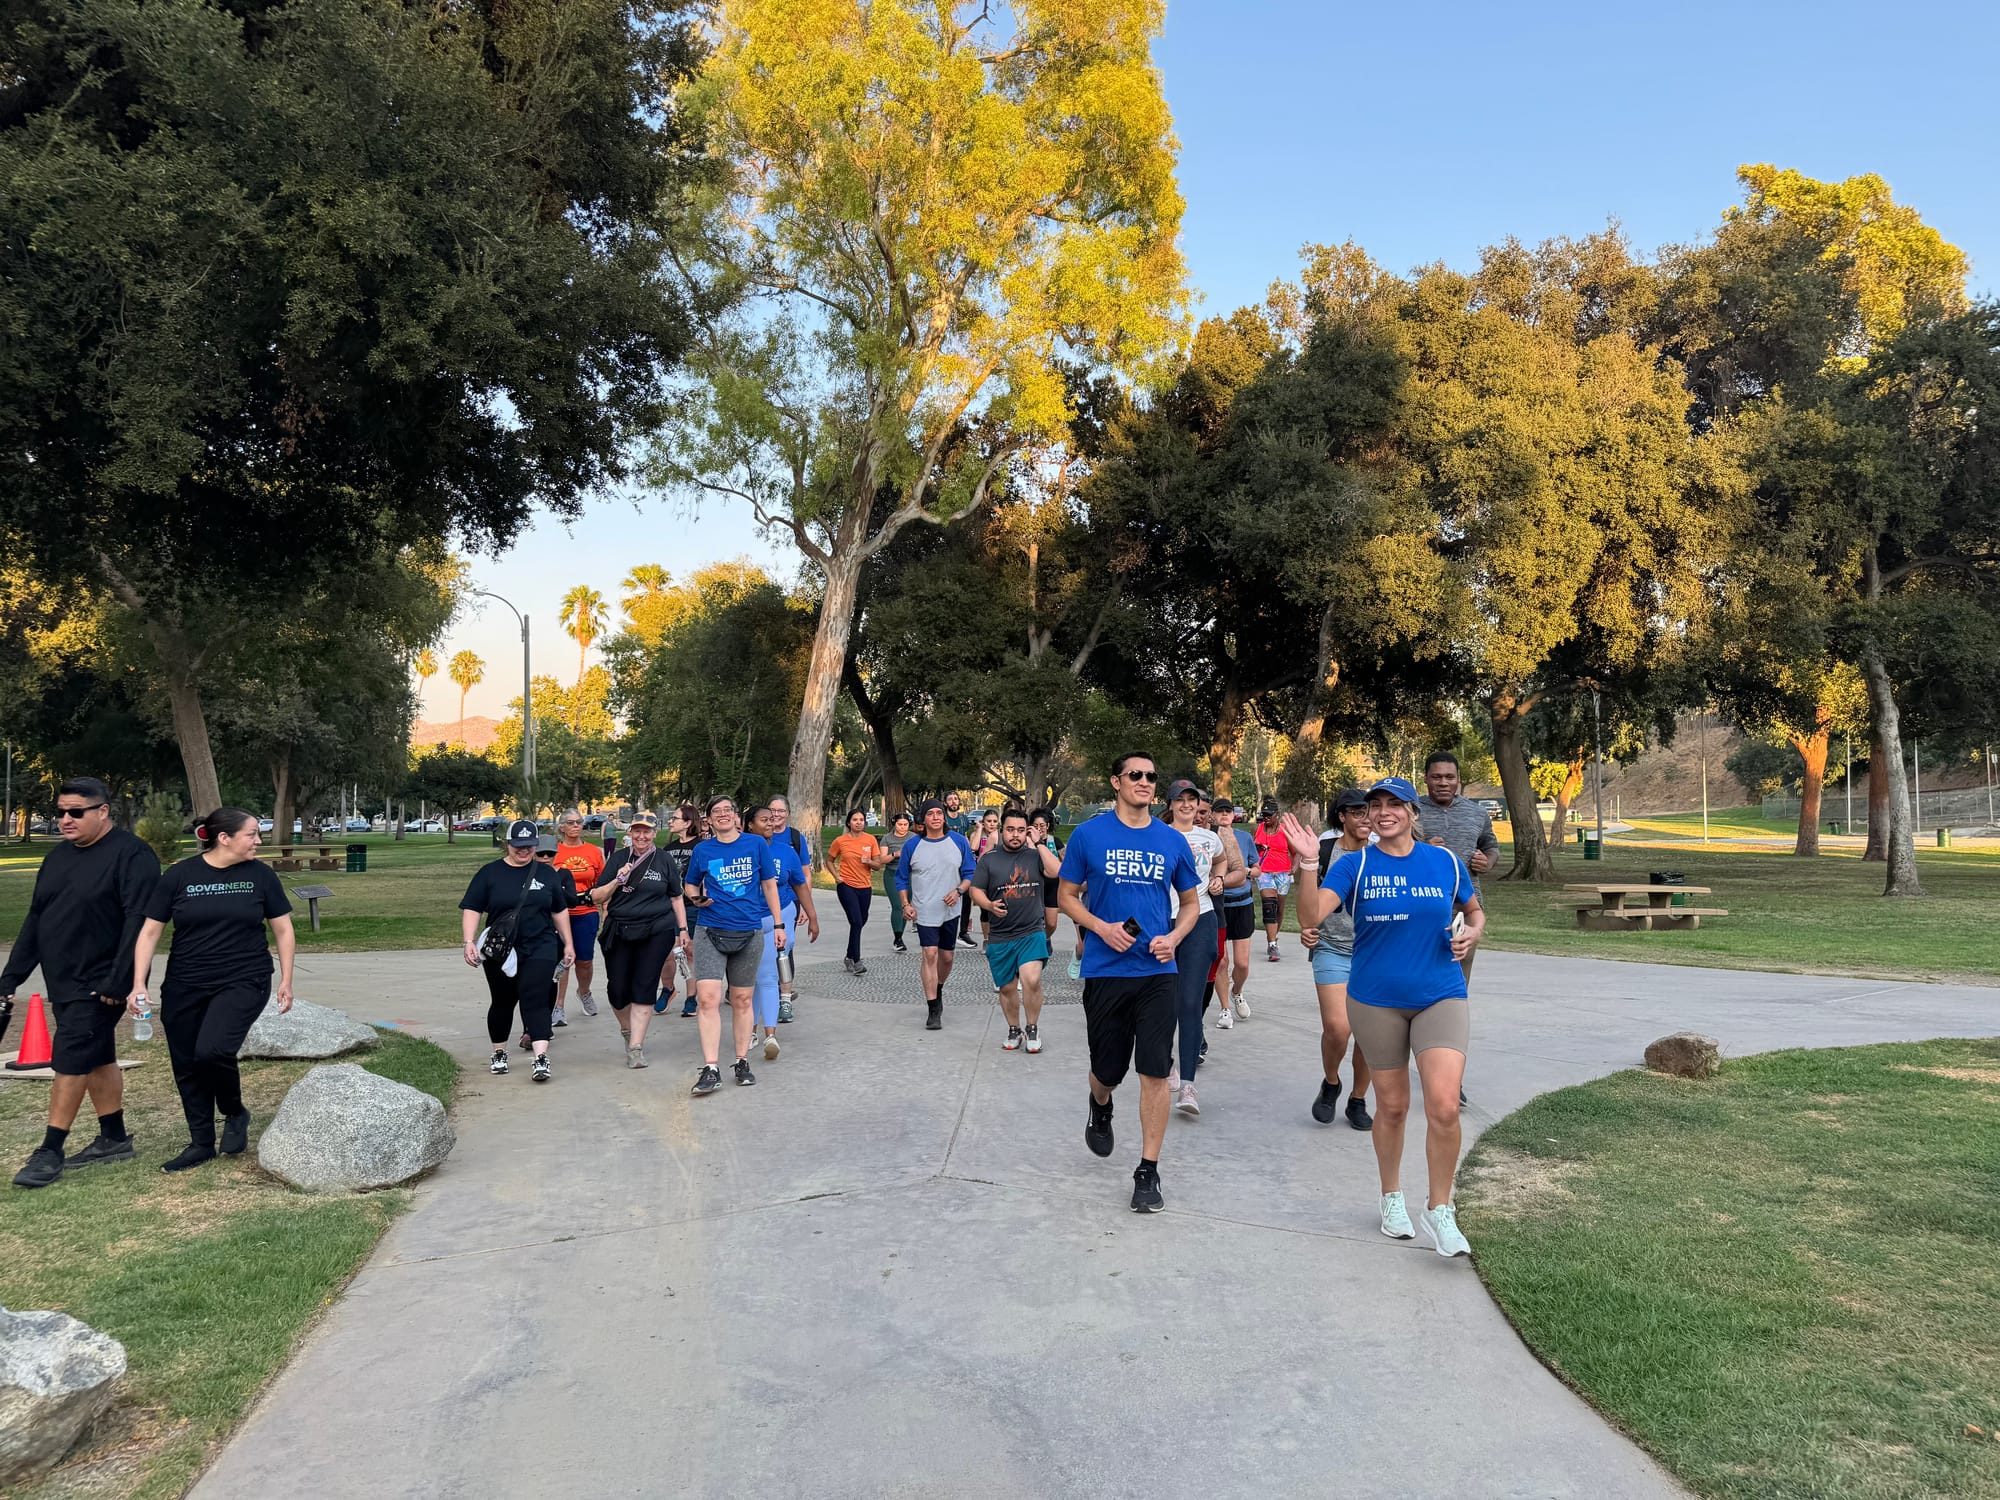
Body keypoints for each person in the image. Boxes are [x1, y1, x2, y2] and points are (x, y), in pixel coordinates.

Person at [1282, 776, 1484, 1257]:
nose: (1384, 811)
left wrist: (1473, 934)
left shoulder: (1445, 862)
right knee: (1392, 1107)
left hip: (1441, 994)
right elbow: (1310, 918)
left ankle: (1440, 1210)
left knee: (1442, 1104)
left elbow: (1474, 914)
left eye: (1396, 803)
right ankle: (1392, 1197)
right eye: (1376, 805)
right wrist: (1309, 863)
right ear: (1367, 816)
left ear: (1414, 812)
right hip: (1375, 1000)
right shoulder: (1354, 865)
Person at [1058, 752, 1199, 1213]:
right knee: (1108, 1070)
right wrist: (1101, 929)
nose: (1144, 782)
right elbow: (1066, 896)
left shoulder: (1171, 841)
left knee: (1156, 1071)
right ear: (1116, 781)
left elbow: (1191, 904)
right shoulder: (1088, 835)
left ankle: (1147, 1171)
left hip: (1158, 973)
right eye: (1135, 775)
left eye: (1151, 776)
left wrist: (1175, 937)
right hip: (1105, 969)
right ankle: (1100, 1104)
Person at [5, 778, 162, 1189]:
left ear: (103, 812)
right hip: (63, 978)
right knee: (97, 1056)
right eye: (60, 812)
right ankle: (113, 1139)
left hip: (102, 982)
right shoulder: (57, 858)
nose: (65, 820)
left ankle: (50, 1150)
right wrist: (11, 976)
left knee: (71, 1058)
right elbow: (37, 919)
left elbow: (139, 921)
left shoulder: (133, 855)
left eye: (76, 812)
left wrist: (120, 979)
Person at [125, 809, 296, 1172]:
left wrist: (285, 979)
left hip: (243, 978)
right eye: (252, 834)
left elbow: (282, 929)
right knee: (186, 1063)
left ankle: (234, 1111)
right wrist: (139, 983)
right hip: (185, 983)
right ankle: (200, 1143)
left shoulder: (260, 876)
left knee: (212, 1050)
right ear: (224, 838)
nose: (259, 841)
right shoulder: (180, 876)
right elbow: (150, 932)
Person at [461, 818, 577, 1084]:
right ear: (507, 844)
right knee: (503, 1001)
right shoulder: (489, 873)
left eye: (529, 846)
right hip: (501, 949)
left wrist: (568, 943)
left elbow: (559, 910)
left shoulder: (547, 874)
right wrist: (469, 941)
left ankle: (540, 1058)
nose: (523, 851)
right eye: (518, 846)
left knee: (535, 997)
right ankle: (499, 1052)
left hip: (541, 944)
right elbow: (472, 908)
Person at [682, 796, 783, 1095]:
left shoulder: (755, 845)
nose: (723, 815)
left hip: (749, 930)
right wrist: (695, 898)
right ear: (709, 821)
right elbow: (690, 884)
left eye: (728, 810)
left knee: (741, 1000)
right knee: (707, 999)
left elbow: (768, 885)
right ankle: (711, 1067)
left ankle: (741, 1061)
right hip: (710, 930)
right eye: (717, 812)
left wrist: (778, 924)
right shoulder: (702, 850)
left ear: (737, 817)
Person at [588, 811, 689, 1069]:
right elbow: (597, 897)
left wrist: (683, 929)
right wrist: (617, 880)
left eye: (647, 831)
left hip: (657, 930)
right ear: (630, 833)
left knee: (644, 985)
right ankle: (627, 1030)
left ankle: (636, 1047)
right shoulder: (618, 859)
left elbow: (676, 897)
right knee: (618, 990)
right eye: (637, 831)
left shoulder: (665, 860)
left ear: (654, 833)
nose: (641, 836)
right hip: (620, 929)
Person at [1299, 790, 1375, 1131]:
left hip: (1375, 953)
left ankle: (1357, 1099)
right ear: (1342, 816)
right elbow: (1309, 904)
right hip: (1332, 947)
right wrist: (1307, 929)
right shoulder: (1326, 851)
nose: (1366, 818)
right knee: (1338, 1028)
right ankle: (1331, 1082)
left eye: (1369, 811)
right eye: (1357, 812)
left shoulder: (1382, 853)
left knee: (1371, 1035)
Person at [967, 807, 1061, 1053]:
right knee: (1008, 988)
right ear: (1001, 830)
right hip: (1000, 936)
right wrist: (988, 904)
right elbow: (975, 890)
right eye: (1010, 830)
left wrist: (1039, 843)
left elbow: (1057, 872)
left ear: (1027, 831)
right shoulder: (989, 859)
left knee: (1031, 979)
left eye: (1021, 830)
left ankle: (1032, 1028)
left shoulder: (1035, 855)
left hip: (1031, 931)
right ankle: (1014, 1029)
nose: (1015, 835)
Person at [1162, 780, 1224, 1116]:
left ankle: (1188, 1084)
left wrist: (1218, 877)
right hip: (1164, 922)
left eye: (1193, 800)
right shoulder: (1158, 834)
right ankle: (1168, 1063)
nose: (1187, 805)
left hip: (1201, 919)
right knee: (1164, 1002)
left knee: (1189, 1002)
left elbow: (1222, 861)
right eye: (1180, 800)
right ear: (1169, 804)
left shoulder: (1209, 837)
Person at [894, 800, 976, 1030]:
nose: (936, 817)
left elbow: (970, 872)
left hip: (950, 910)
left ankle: (937, 987)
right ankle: (933, 1008)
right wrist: (905, 903)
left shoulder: (958, 842)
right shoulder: (913, 846)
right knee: (929, 954)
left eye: (939, 813)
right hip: (924, 909)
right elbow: (900, 877)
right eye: (930, 814)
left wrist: (959, 890)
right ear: (923, 819)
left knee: (946, 958)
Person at [749, 804, 818, 1056]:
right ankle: (751, 1031)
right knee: (752, 980)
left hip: (780, 916)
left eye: (772, 819)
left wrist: (812, 916)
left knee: (766, 976)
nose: (770, 823)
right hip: (748, 921)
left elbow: (800, 886)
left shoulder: (785, 852)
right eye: (764, 819)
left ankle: (769, 1035)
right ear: (750, 825)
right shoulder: (741, 851)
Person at [549, 811, 606, 1024]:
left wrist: (605, 908)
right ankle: (558, 1006)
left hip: (586, 911)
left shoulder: (592, 852)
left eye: (579, 822)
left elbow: (603, 882)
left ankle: (584, 992)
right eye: (570, 823)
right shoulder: (554, 851)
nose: (575, 826)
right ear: (562, 827)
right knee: (563, 961)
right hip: (560, 912)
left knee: (584, 960)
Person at [762, 795, 814, 1020]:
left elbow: (805, 875)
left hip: (788, 901)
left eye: (780, 811)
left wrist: (805, 906)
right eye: (772, 811)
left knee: (784, 949)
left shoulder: (794, 838)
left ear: (788, 813)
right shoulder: (756, 837)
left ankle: (785, 996)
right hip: (759, 905)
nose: (776, 815)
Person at [826, 810, 889, 974]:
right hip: (846, 886)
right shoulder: (840, 841)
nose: (858, 822)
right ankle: (857, 960)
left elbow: (878, 865)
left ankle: (848, 955)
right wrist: (836, 876)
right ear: (849, 823)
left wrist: (868, 861)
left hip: (865, 887)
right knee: (856, 921)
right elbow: (829, 860)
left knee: (861, 921)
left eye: (861, 820)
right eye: (855, 820)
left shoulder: (870, 840)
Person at [1212, 799, 1259, 1016]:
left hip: (1242, 903)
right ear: (1212, 815)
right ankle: (1224, 1008)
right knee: (1222, 961)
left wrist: (1245, 872)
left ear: (1233, 815)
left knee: (1241, 963)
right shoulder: (1209, 837)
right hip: (1218, 903)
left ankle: (1237, 991)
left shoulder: (1244, 837)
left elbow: (1257, 869)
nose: (1223, 815)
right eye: (1219, 811)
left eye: (1227, 812)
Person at [661, 804, 703, 1016]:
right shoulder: (668, 849)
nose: (670, 821)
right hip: (669, 908)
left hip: (692, 907)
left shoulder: (701, 847)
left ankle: (692, 997)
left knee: (689, 952)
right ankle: (667, 989)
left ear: (687, 823)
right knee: (666, 951)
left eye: (675, 818)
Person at [1252, 798, 1294, 963]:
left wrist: (1295, 868)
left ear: (1278, 815)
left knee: (1279, 909)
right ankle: (1272, 944)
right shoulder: (1258, 828)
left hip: (1283, 872)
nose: (1266, 817)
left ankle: (1274, 937)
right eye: (1264, 814)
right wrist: (1257, 849)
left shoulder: (1284, 831)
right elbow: (1250, 848)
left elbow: (1295, 852)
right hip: (1264, 872)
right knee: (1270, 905)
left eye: (1270, 815)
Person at [943, 793, 980, 948]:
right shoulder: (943, 818)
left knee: (966, 895)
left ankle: (963, 932)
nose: (954, 801)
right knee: (946, 895)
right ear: (945, 803)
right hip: (946, 860)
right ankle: (943, 929)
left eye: (956, 799)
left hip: (962, 859)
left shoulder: (964, 819)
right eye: (950, 799)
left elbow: (965, 836)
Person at [1025, 807, 1063, 944]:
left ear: (1047, 825)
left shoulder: (1055, 842)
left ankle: (1046, 938)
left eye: (1042, 825)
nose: (1039, 828)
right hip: (1034, 886)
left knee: (1051, 923)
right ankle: (1036, 943)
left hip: (1052, 887)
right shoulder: (1027, 842)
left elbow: (1067, 863)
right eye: (1035, 826)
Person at [879, 811, 914, 953]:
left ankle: (900, 934)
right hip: (892, 874)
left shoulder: (913, 838)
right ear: (894, 824)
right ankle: (897, 938)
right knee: (897, 905)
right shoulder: (887, 839)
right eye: (900, 824)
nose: (902, 827)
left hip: (909, 874)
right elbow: (882, 860)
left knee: (906, 905)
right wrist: (895, 854)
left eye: (905, 825)